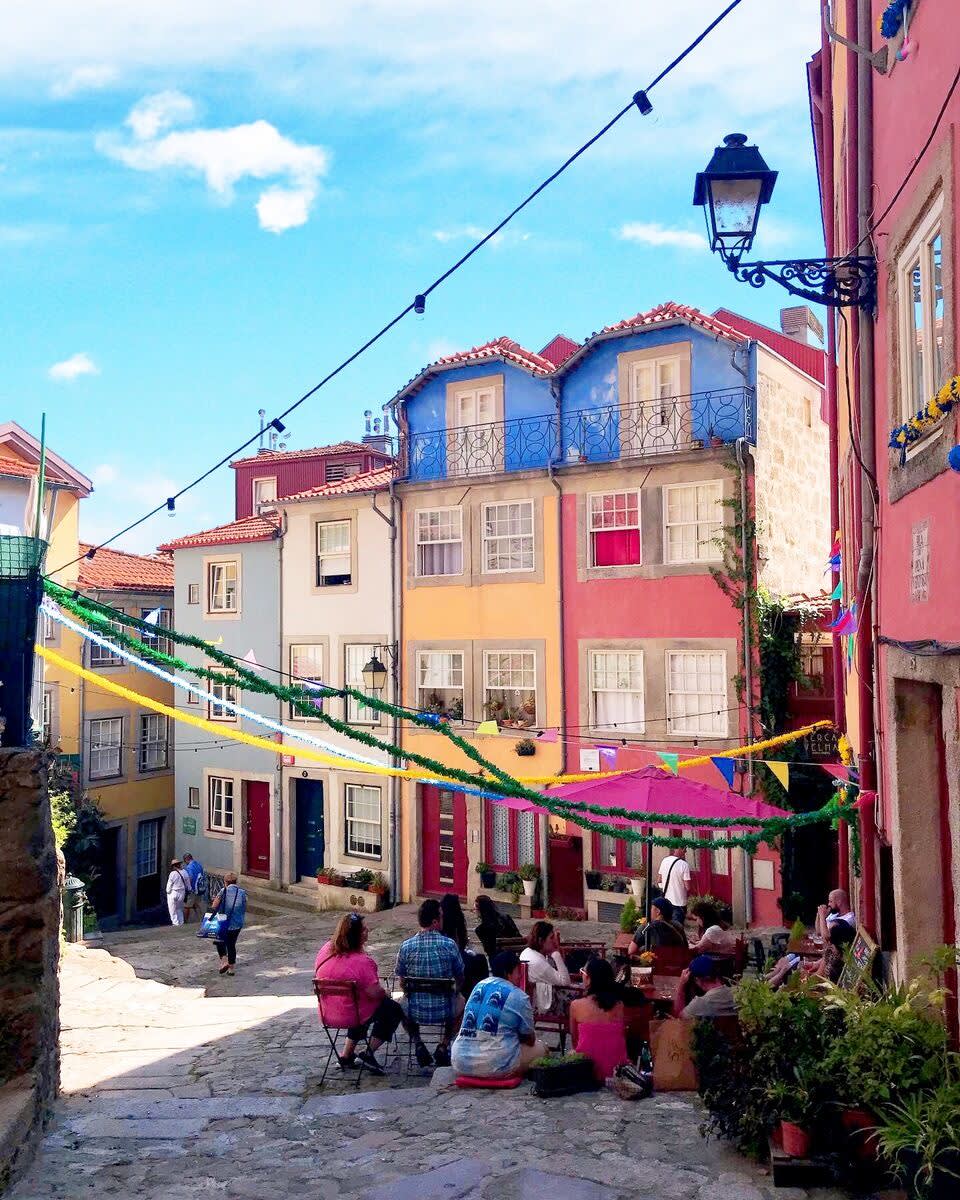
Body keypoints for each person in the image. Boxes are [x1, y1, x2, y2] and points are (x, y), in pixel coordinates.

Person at [314, 913, 406, 1074]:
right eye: (363, 929)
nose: (367, 930)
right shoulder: (362, 962)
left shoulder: (326, 950)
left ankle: (346, 1055)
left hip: (328, 1013)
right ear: (355, 936)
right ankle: (368, 1053)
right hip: (352, 1015)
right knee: (392, 1009)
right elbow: (375, 993)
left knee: (358, 1002)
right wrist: (386, 993)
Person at [451, 951, 546, 1079]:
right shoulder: (519, 996)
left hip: (460, 1062)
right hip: (495, 1065)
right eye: (518, 971)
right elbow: (530, 1039)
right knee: (542, 1049)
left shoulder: (479, 985)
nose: (520, 976)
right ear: (508, 973)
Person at [396, 898, 465, 1068]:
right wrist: (455, 991)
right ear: (435, 922)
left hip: (415, 1010)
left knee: (399, 1005)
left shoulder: (406, 947)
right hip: (445, 1009)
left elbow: (402, 981)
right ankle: (444, 1044)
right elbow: (460, 975)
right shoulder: (449, 945)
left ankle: (418, 1042)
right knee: (463, 1003)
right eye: (441, 916)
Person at [569, 957, 629, 1083]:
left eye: (583, 972)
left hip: (587, 1070)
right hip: (616, 1071)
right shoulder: (619, 1005)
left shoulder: (576, 1005)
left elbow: (575, 1041)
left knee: (570, 1053)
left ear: (589, 978)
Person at [766, 919, 856, 990]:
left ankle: (771, 981)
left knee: (786, 971)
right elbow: (819, 969)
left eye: (829, 931)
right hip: (815, 982)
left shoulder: (840, 961)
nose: (826, 934)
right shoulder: (830, 950)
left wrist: (805, 979)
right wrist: (812, 965)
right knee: (786, 965)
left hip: (820, 989)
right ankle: (771, 977)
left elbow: (819, 977)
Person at [441, 893, 488, 997]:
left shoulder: (440, 920)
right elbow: (460, 944)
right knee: (480, 961)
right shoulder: (456, 921)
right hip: (456, 960)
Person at [520, 920, 572, 1015]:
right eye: (551, 938)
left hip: (538, 997)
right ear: (541, 940)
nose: (554, 941)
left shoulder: (528, 951)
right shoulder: (538, 962)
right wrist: (556, 954)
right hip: (545, 1003)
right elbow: (565, 982)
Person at [673, 955, 738, 1019]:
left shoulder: (700, 1003)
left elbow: (679, 1018)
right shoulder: (738, 994)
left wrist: (681, 985)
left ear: (697, 979)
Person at [210, 871, 247, 976]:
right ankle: (231, 969)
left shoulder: (223, 891)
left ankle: (224, 960)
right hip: (237, 923)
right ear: (236, 881)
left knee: (219, 942)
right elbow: (244, 906)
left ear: (225, 882)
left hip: (223, 922)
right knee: (231, 945)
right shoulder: (242, 892)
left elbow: (214, 906)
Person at [474, 894, 521, 960]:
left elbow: (488, 950)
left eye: (475, 909)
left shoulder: (480, 929)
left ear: (480, 910)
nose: (474, 911)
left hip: (497, 960)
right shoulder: (506, 918)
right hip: (513, 957)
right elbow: (518, 937)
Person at [657, 848, 692, 926]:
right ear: (679, 849)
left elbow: (659, 880)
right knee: (677, 927)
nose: (685, 851)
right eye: (684, 849)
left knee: (667, 926)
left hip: (666, 900)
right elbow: (688, 887)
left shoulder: (665, 861)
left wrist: (666, 888)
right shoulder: (684, 865)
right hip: (679, 902)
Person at [165, 858, 190, 927]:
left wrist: (168, 892)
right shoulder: (185, 872)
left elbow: (169, 885)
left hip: (173, 892)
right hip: (182, 892)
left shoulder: (172, 873)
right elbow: (188, 885)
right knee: (179, 909)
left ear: (173, 866)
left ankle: (175, 923)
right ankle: (181, 922)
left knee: (172, 910)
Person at [181, 852, 205, 923]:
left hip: (192, 890)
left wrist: (186, 887)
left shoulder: (189, 867)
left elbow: (190, 878)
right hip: (199, 889)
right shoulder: (199, 865)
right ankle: (201, 920)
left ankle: (185, 922)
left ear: (186, 859)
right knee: (196, 904)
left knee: (187, 906)